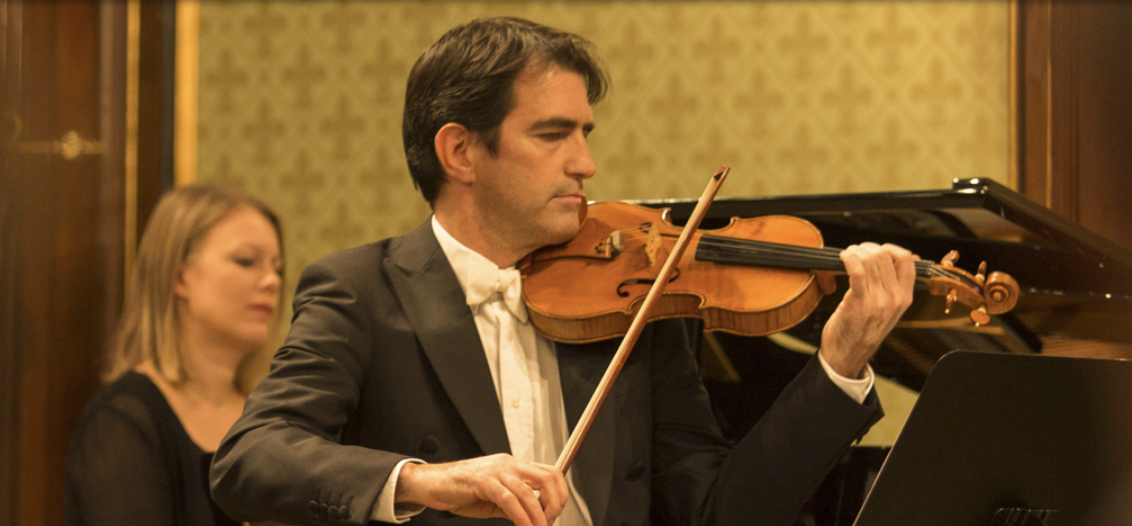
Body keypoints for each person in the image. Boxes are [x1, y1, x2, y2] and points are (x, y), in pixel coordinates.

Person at [210, 16, 916, 526]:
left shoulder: (637, 308)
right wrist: (428, 481)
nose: (586, 163)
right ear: (460, 152)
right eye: (552, 135)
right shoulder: (363, 290)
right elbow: (250, 460)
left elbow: (722, 511)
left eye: (585, 134)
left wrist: (840, 361)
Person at [64, 186, 284, 526]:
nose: (271, 281)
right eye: (246, 261)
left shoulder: (274, 417)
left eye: (277, 267)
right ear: (180, 275)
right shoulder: (123, 420)